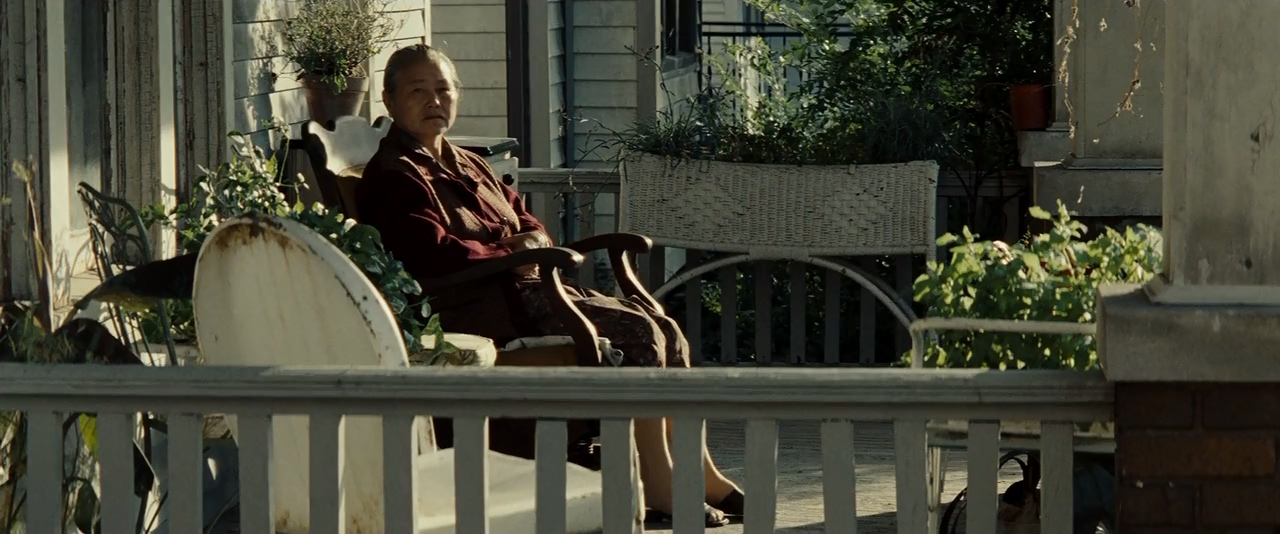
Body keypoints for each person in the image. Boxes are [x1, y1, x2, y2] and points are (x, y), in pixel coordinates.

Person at [355, 44, 745, 527]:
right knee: (639, 333)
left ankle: (700, 473)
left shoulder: (468, 162)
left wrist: (530, 240)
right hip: (479, 308)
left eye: (443, 89)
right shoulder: (394, 176)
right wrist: (510, 253)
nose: (434, 100)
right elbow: (431, 253)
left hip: (531, 289)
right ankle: (658, 486)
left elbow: (525, 219)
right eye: (418, 91)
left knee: (664, 327)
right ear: (390, 100)